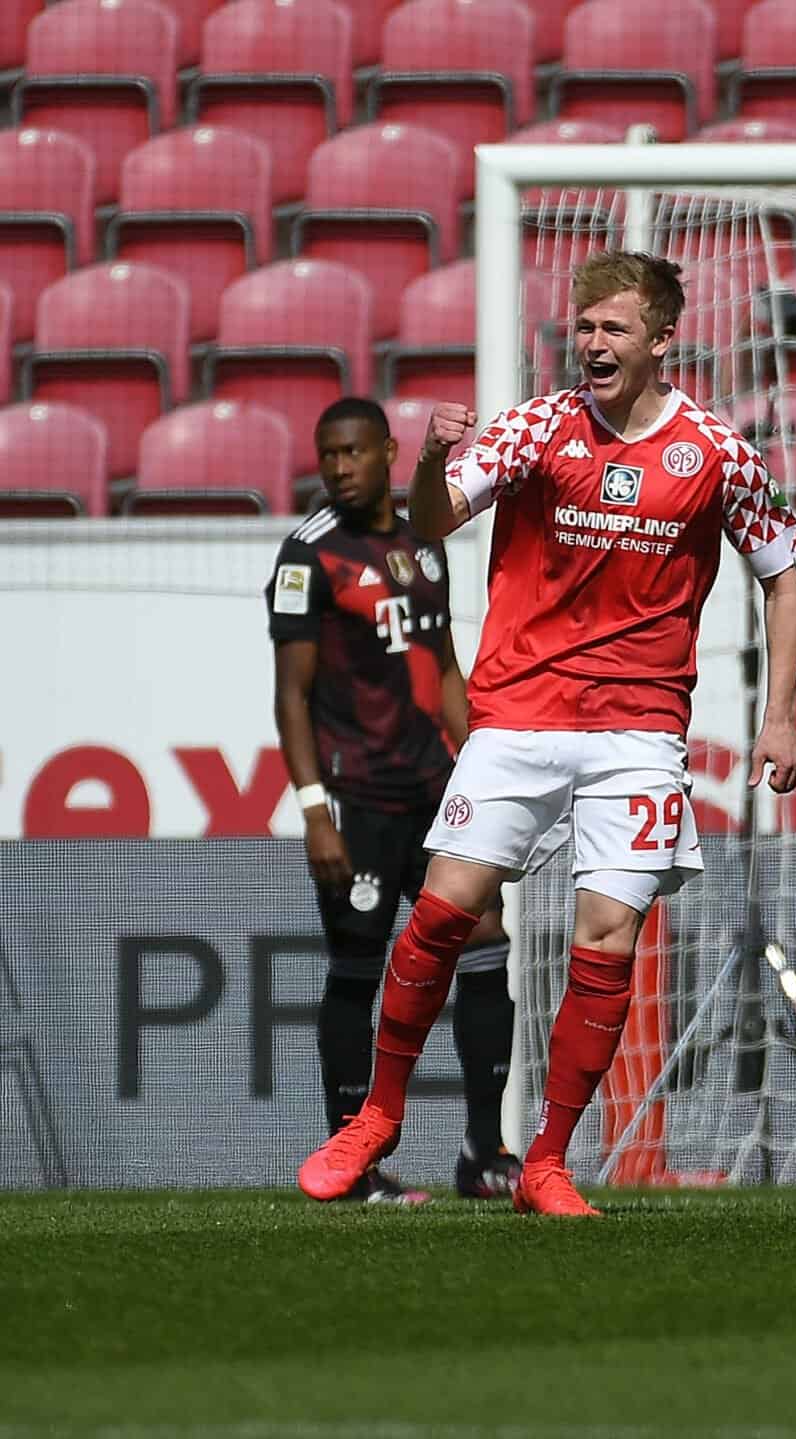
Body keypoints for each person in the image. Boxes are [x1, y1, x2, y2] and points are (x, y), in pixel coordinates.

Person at [297, 250, 796, 1217]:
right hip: (521, 713)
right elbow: (433, 520)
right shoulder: (537, 427)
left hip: (639, 732)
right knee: (444, 911)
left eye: (615, 327)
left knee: (606, 940)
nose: (593, 343)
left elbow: (782, 578)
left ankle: (546, 1161)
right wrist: (430, 459)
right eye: (585, 326)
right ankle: (378, 1115)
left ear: (662, 339)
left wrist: (779, 714)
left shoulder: (719, 453)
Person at [265, 397, 519, 1205]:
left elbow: (444, 669)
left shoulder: (423, 544)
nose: (339, 468)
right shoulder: (308, 554)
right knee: (358, 966)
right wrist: (314, 809)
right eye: (327, 455)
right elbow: (291, 695)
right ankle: (355, 1164)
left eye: (352, 452)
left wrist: (485, 767)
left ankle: (484, 1151)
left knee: (486, 939)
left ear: (387, 451)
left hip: (435, 791)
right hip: (357, 797)